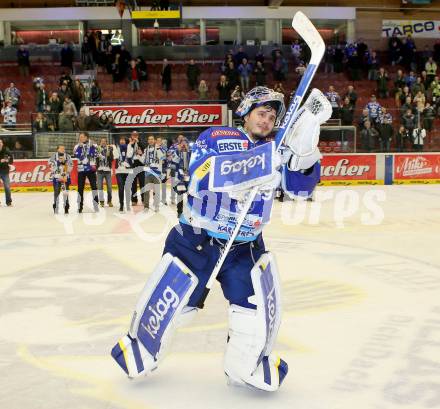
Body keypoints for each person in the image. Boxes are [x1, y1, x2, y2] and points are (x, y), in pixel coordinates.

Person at [111, 86, 330, 392]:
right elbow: (199, 176)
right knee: (175, 303)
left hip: (246, 248)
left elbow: (301, 191)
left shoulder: (278, 152)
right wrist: (249, 169)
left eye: (271, 117)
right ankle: (143, 348)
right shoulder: (218, 137)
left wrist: (303, 154)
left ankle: (245, 366)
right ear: (246, 112)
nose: (266, 121)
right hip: (197, 242)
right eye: (261, 113)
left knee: (253, 314)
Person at [73, 132, 99, 213]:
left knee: (94, 187)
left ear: (87, 137)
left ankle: (96, 205)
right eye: (80, 137)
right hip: (81, 170)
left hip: (91, 169)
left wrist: (91, 154)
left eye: (82, 137)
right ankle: (79, 207)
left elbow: (97, 154)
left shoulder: (94, 145)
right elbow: (76, 155)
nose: (80, 138)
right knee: (80, 188)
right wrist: (80, 150)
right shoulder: (77, 146)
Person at [142, 135, 165, 212]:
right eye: (149, 139)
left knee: (157, 191)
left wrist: (158, 148)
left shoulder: (159, 148)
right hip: (148, 172)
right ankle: (146, 206)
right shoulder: (146, 150)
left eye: (152, 139)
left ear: (154, 140)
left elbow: (162, 157)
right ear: (148, 141)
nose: (151, 140)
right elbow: (143, 161)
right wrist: (140, 154)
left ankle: (156, 206)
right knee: (146, 191)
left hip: (157, 173)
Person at [48, 145, 73, 214]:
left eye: (64, 148)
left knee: (65, 193)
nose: (63, 149)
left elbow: (71, 166)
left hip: (65, 178)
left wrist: (65, 165)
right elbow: (49, 165)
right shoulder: (53, 156)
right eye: (61, 148)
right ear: (57, 149)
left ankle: (66, 207)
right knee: (56, 193)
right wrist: (58, 163)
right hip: (57, 177)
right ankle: (56, 207)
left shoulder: (68, 156)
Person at [114, 136, 132, 212]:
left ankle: (127, 204)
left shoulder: (129, 147)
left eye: (123, 140)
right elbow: (115, 156)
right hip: (119, 171)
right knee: (121, 188)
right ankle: (121, 205)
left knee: (128, 189)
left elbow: (130, 155)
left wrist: (130, 145)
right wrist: (114, 148)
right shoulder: (116, 148)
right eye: (120, 140)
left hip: (128, 171)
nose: (122, 141)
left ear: (126, 141)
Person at [127, 131, 145, 206]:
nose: (134, 136)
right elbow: (128, 154)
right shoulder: (130, 144)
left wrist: (138, 142)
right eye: (133, 135)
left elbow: (144, 149)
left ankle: (144, 199)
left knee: (142, 183)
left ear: (138, 136)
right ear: (131, 136)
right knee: (133, 184)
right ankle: (134, 200)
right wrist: (132, 143)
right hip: (133, 165)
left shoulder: (142, 142)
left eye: (136, 135)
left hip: (141, 165)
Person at [97, 137, 113, 208]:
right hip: (99, 171)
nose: (103, 142)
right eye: (102, 141)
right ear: (100, 142)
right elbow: (94, 158)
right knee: (100, 187)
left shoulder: (109, 149)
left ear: (106, 142)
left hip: (107, 171)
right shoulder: (97, 149)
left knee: (109, 187)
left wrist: (109, 155)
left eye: (104, 141)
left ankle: (109, 201)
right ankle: (101, 202)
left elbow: (112, 159)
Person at [0, 138, 13, 206]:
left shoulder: (6, 150)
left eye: (0, 142)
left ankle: (8, 202)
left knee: (7, 187)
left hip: (5, 171)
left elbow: (11, 160)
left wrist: (8, 161)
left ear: (2, 143)